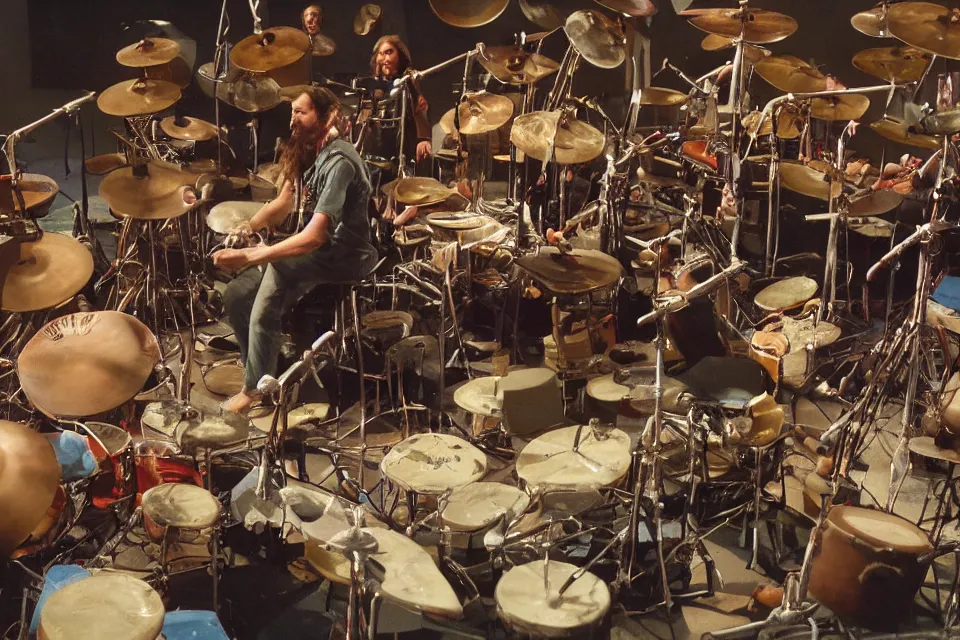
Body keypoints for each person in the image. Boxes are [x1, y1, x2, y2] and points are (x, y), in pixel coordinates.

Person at [212, 87, 378, 414]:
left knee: (277, 268)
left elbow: (314, 237)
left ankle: (253, 390)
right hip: (317, 252)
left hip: (346, 255)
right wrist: (249, 226)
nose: (293, 120)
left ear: (327, 115)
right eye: (292, 113)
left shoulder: (339, 161)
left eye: (301, 112)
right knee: (237, 294)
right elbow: (284, 201)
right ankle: (262, 375)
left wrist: (249, 256)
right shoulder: (308, 150)